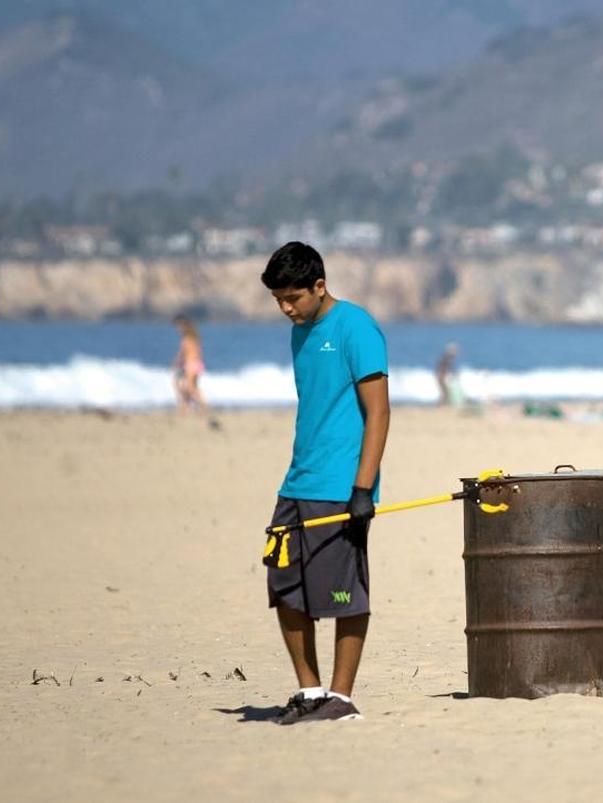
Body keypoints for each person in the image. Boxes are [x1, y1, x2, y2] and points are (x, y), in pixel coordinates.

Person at [260, 241, 390, 724]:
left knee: (342, 591)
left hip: (341, 485)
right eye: (278, 301)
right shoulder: (300, 332)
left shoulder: (356, 326)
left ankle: (343, 697)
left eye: (293, 298)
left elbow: (378, 412)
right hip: (298, 481)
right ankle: (310, 690)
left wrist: (363, 489)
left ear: (320, 286)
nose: (286, 308)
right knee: (284, 582)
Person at [171, 315, 208, 415]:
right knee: (190, 388)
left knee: (187, 388)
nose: (178, 329)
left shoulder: (186, 339)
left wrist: (175, 364)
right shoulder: (196, 339)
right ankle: (185, 409)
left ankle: (202, 405)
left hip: (190, 364)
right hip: (198, 364)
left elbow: (182, 354)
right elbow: (198, 352)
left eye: (179, 327)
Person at [435, 342, 461, 407]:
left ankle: (442, 405)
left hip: (441, 376)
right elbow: (444, 368)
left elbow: (447, 368)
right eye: (455, 351)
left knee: (445, 392)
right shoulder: (447, 358)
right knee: (445, 393)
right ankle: (440, 406)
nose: (456, 353)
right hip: (441, 376)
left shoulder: (447, 358)